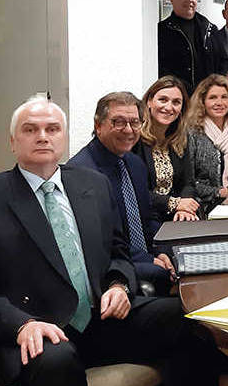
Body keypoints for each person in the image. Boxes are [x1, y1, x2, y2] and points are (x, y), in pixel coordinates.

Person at [0, 97, 225, 386]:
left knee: (187, 320)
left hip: (98, 319)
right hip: (35, 330)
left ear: (64, 136)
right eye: (30, 130)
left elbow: (118, 251)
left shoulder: (91, 184)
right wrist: (20, 323)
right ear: (13, 141)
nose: (43, 136)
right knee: (56, 360)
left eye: (52, 128)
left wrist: (118, 284)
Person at [68, 92, 176, 294]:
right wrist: (148, 259)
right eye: (118, 122)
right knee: (165, 277)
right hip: (111, 265)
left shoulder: (134, 163)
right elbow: (100, 239)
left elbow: (148, 216)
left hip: (143, 254)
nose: (128, 130)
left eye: (135, 123)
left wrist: (160, 252)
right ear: (98, 126)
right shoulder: (82, 172)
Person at [132, 75, 201, 222]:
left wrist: (185, 207)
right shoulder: (134, 139)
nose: (169, 107)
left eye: (176, 102)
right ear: (149, 102)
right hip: (145, 218)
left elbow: (188, 183)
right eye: (163, 100)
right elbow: (137, 191)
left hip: (175, 216)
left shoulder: (180, 139)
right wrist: (175, 203)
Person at [187, 74, 228, 212]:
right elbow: (190, 182)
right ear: (202, 102)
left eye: (224, 97)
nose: (219, 103)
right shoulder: (193, 134)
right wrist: (220, 192)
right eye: (212, 98)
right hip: (208, 207)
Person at [158, 0, 217, 95]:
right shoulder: (161, 30)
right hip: (177, 97)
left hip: (206, 97)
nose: (189, 0)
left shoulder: (209, 29)